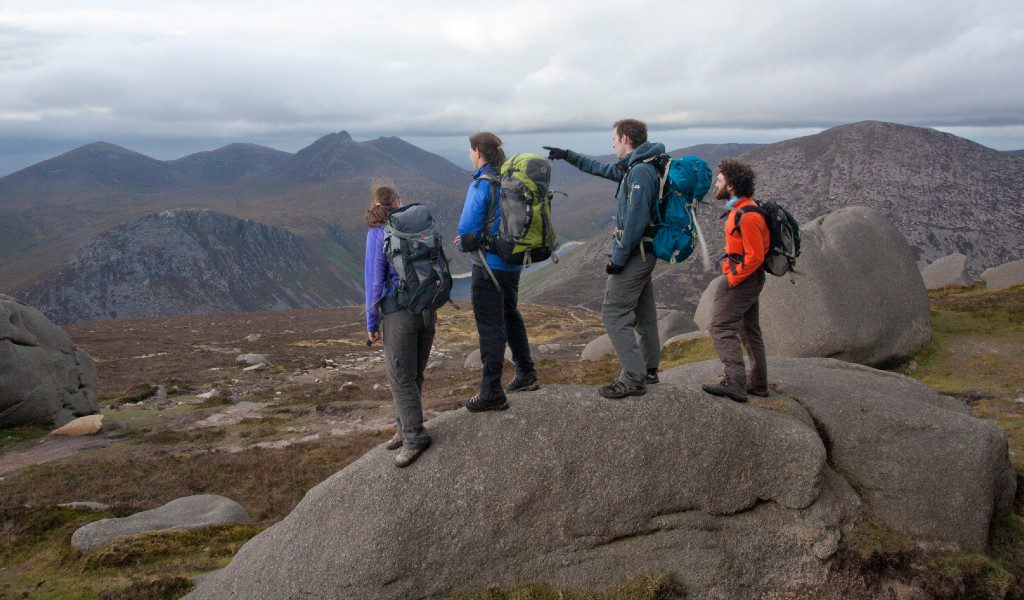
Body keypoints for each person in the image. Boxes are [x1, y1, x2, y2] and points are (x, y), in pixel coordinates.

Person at [544, 119, 662, 399]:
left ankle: (633, 378)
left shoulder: (640, 171)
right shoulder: (635, 166)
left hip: (636, 254)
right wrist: (568, 155)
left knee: (613, 312)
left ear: (625, 139)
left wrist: (618, 258)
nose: (612, 143)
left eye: (614, 139)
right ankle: (649, 369)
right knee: (643, 313)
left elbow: (635, 222)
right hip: (643, 252)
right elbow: (598, 168)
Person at [455, 132, 539, 412]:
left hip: (487, 268)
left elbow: (467, 231)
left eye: (471, 150)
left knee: (490, 327)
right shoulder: (508, 180)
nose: (470, 155)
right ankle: (526, 372)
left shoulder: (482, 184)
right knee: (510, 316)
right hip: (511, 264)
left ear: (478, 152)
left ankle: (491, 391)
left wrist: (465, 241)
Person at [364, 183, 435, 467]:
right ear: (397, 202)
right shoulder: (416, 228)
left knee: (401, 378)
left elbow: (374, 282)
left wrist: (371, 321)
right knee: (413, 375)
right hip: (427, 310)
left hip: (399, 313)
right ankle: (404, 428)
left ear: (376, 205)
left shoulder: (377, 233)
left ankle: (414, 437)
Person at [700, 159, 770, 403]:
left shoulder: (747, 215)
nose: (715, 184)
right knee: (749, 331)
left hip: (744, 279)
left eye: (719, 180)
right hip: (749, 278)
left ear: (730, 184)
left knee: (720, 326)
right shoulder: (743, 208)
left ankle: (736, 382)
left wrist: (732, 278)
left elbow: (755, 256)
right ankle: (758, 383)